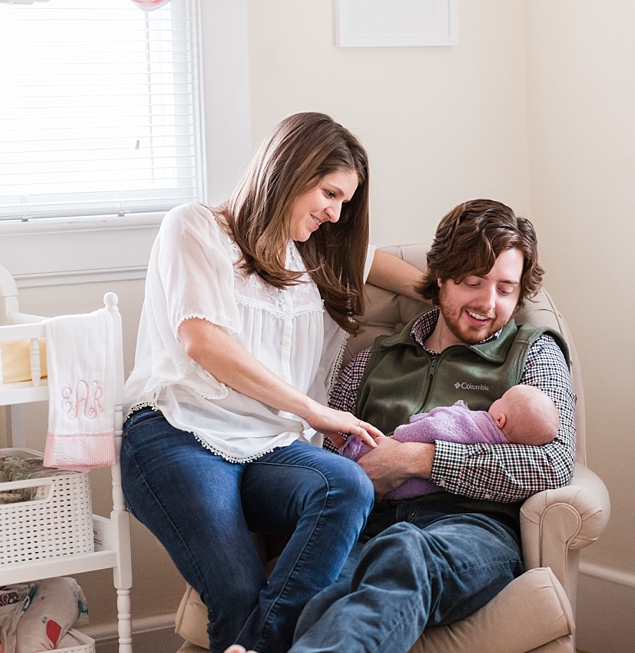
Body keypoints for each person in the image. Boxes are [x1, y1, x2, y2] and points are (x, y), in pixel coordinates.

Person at [120, 112, 424, 653]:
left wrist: (471, 295)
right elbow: (203, 342)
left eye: (344, 203)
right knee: (237, 591)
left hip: (268, 447)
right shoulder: (194, 227)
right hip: (179, 433)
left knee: (345, 485)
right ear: (291, 169)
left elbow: (397, 271)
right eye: (329, 193)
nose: (334, 214)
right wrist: (314, 411)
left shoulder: (315, 254)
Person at [264, 198, 577, 653]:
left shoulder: (533, 353)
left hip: (471, 528)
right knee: (310, 594)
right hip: (366, 525)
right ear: (441, 277)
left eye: (506, 289)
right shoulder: (372, 359)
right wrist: (360, 476)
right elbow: (324, 456)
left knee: (408, 552)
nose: (489, 304)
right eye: (473, 282)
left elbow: (554, 462)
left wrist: (416, 459)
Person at [338, 384, 559, 500]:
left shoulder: (536, 350)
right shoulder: (375, 354)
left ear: (500, 420)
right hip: (379, 515)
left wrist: (405, 450)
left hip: (457, 520)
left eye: (504, 293)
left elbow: (436, 427)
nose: (488, 303)